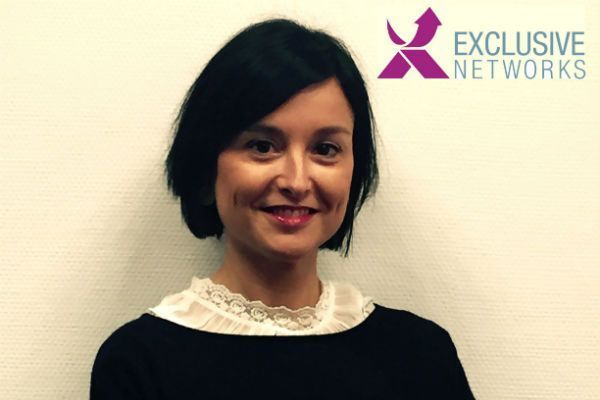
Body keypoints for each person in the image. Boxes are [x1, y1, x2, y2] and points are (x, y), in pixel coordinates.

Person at [90, 18, 475, 399]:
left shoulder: (421, 355)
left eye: (325, 149)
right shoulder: (138, 363)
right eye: (262, 146)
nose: (297, 181)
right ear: (206, 169)